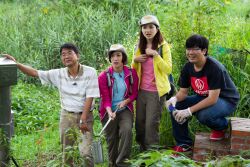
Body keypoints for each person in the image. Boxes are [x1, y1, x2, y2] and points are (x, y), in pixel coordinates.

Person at [4, 43, 100, 166]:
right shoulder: (58, 74)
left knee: (85, 153)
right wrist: (16, 64)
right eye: (63, 54)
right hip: (67, 116)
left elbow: (90, 96)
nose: (66, 56)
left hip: (85, 116)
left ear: (78, 56)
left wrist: (83, 118)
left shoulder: (90, 72)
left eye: (70, 53)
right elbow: (35, 73)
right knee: (66, 152)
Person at [166, 34, 240, 152]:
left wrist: (189, 111)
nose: (190, 52)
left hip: (226, 100)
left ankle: (222, 126)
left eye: (195, 49)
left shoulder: (215, 68)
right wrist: (174, 99)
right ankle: (184, 144)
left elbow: (212, 99)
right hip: (203, 96)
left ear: (204, 51)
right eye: (188, 49)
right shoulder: (187, 67)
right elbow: (183, 93)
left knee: (203, 115)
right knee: (177, 106)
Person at [131, 15, 172, 151]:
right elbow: (133, 70)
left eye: (151, 27)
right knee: (140, 125)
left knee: (151, 126)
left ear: (157, 28)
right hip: (141, 91)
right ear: (141, 29)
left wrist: (155, 55)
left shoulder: (163, 47)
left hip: (156, 92)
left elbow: (168, 69)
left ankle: (152, 155)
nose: (147, 30)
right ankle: (143, 153)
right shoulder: (139, 46)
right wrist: (135, 60)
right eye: (144, 27)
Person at [98, 44, 139, 167]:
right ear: (110, 58)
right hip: (108, 111)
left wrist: (126, 102)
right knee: (112, 140)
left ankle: (122, 162)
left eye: (118, 55)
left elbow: (135, 94)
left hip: (125, 108)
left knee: (126, 131)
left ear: (123, 57)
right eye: (113, 56)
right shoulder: (103, 76)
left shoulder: (131, 73)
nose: (115, 58)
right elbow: (105, 98)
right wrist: (109, 111)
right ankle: (112, 164)